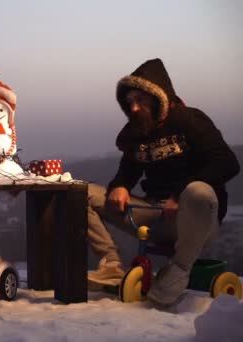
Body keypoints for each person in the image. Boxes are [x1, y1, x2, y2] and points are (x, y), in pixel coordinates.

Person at [87, 58, 240, 305]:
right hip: (155, 214)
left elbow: (227, 163)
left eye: (141, 100)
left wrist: (179, 196)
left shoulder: (190, 120)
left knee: (198, 191)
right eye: (130, 103)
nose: (134, 108)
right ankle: (111, 264)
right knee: (80, 193)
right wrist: (120, 186)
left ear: (158, 97)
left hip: (195, 219)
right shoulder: (137, 132)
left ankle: (179, 271)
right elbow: (127, 171)